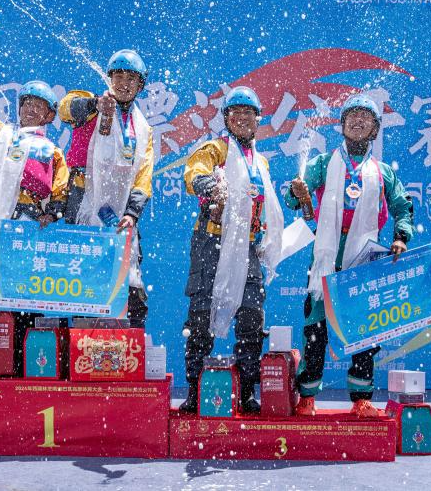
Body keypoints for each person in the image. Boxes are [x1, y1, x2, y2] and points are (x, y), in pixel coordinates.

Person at [285, 94, 415, 418]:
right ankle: (307, 397)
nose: (358, 121)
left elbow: (403, 207)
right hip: (326, 255)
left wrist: (401, 238)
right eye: (352, 116)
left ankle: (361, 399)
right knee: (315, 329)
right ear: (342, 125)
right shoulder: (323, 164)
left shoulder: (382, 172)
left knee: (364, 330)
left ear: (375, 129)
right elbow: (294, 199)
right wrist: (296, 192)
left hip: (364, 256)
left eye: (365, 117)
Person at [177, 86, 284, 414]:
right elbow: (194, 173)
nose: (241, 118)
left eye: (248, 112)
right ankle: (195, 392)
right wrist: (212, 187)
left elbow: (261, 205)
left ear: (258, 119)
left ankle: (246, 392)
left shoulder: (261, 162)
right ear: (226, 118)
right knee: (201, 317)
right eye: (234, 112)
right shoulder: (215, 149)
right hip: (212, 244)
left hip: (247, 248)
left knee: (251, 318)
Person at [0, 80, 69, 374]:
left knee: (24, 298)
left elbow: (61, 193)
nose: (30, 109)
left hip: (26, 229)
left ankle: (21, 362)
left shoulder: (52, 151)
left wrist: (52, 215)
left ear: (49, 115)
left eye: (38, 105)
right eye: (26, 104)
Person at [58, 50, 153, 328]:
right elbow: (65, 108)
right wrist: (95, 105)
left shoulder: (144, 129)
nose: (124, 83)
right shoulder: (93, 106)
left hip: (121, 213)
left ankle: (127, 342)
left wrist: (132, 214)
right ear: (110, 78)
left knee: (129, 283)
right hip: (85, 204)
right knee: (85, 277)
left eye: (131, 79)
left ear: (140, 86)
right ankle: (84, 342)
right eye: (118, 77)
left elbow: (143, 176)